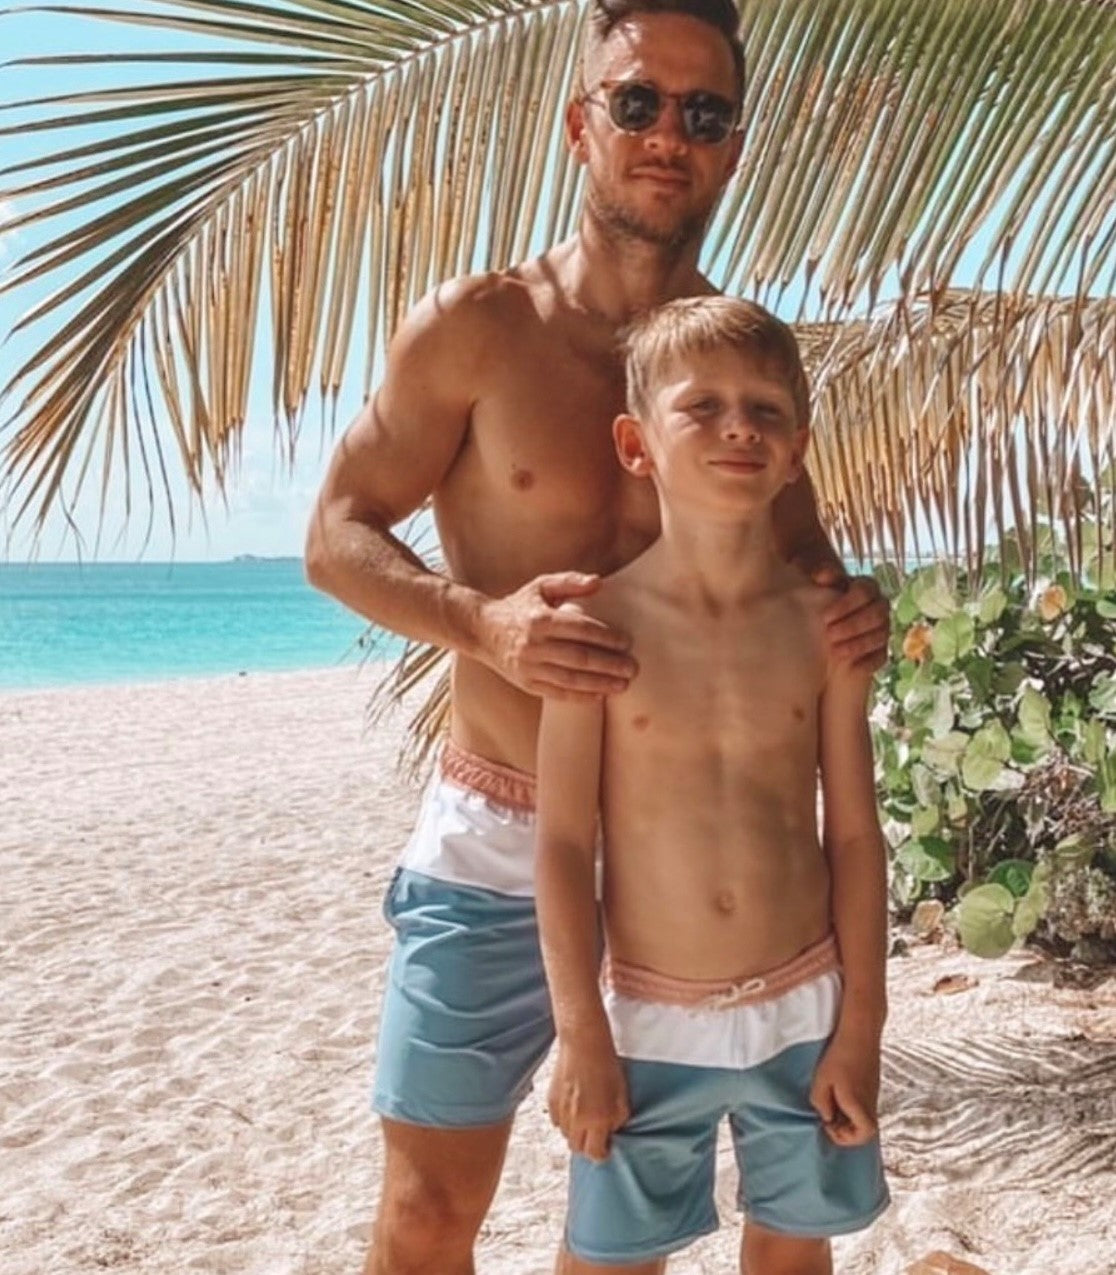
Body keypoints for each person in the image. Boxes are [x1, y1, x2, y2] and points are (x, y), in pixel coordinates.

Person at [304, 1, 890, 1270]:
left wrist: (855, 602)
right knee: (428, 1208)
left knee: (650, 1234)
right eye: (637, 102)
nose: (668, 134)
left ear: (732, 146)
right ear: (583, 125)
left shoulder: (734, 375)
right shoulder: (480, 327)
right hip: (509, 827)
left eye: (703, 112)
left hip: (706, 855)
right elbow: (336, 533)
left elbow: (802, 566)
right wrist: (480, 623)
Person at [535, 295, 890, 1275]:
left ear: (797, 450)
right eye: (702, 406)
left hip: (805, 1007)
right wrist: (581, 1030)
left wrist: (862, 1023)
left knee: (793, 1249)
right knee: (611, 1258)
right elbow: (562, 844)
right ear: (636, 444)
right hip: (647, 1021)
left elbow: (854, 836)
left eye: (766, 409)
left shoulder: (825, 628)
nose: (740, 426)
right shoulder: (597, 628)